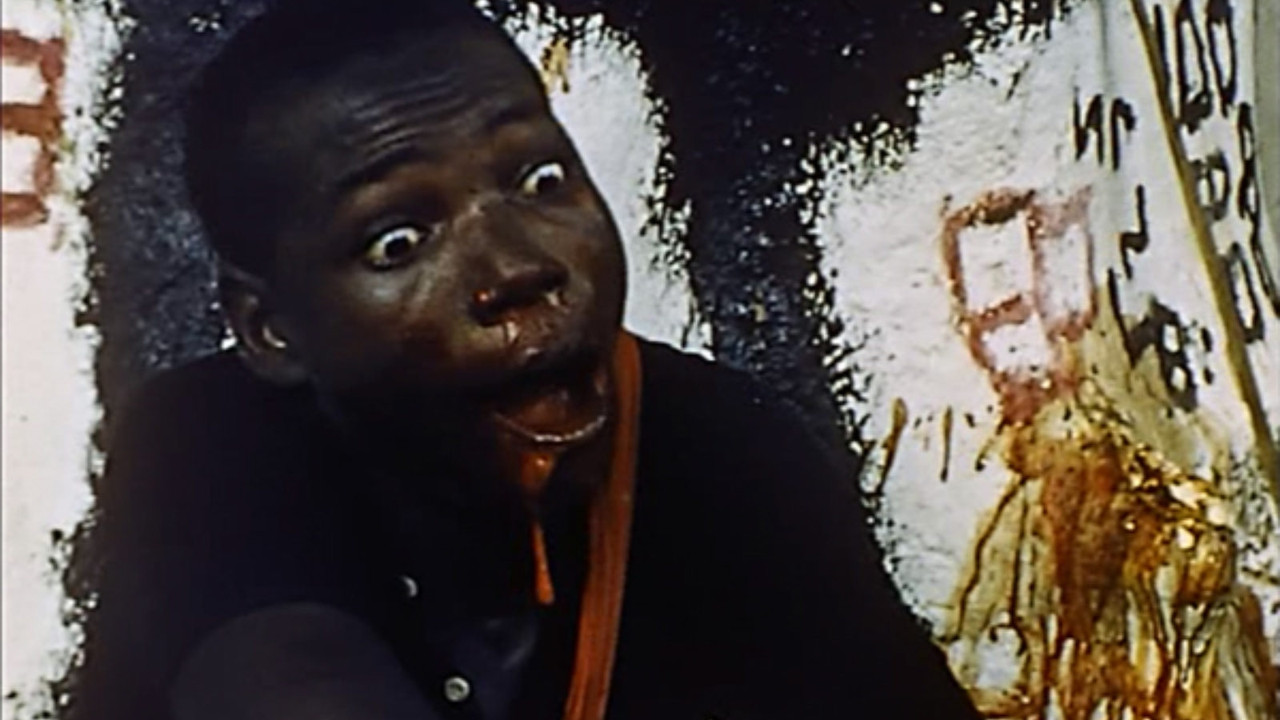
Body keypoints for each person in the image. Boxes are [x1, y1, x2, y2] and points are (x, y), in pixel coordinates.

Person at [73, 1, 982, 718]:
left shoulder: (721, 452)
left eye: (540, 180)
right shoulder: (210, 444)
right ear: (272, 329)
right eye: (398, 240)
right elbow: (288, 679)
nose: (517, 268)